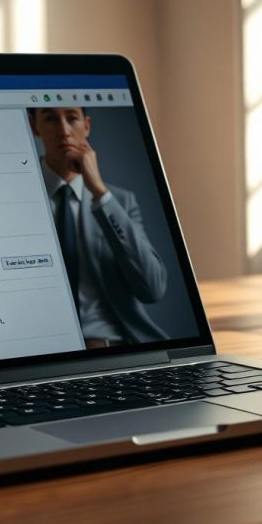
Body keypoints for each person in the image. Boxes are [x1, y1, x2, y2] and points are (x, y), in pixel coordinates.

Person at [28, 107, 168, 347]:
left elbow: (152, 288)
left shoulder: (120, 202)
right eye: (50, 119)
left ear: (87, 126)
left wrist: (100, 194)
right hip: (39, 352)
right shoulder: (15, 199)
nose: (64, 131)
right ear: (34, 127)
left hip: (115, 350)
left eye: (72, 118)